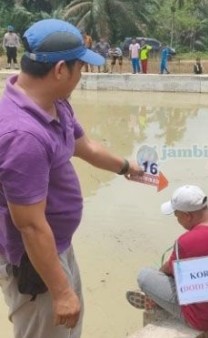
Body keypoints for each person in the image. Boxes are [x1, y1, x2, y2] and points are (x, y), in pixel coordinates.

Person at [0, 19, 143, 338]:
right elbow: (29, 225)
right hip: (34, 258)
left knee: (67, 329)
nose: (82, 76)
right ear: (61, 69)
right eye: (81, 68)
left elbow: (84, 146)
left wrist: (125, 166)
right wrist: (61, 291)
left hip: (56, 243)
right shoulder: (24, 136)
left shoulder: (54, 104)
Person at [127, 185, 208, 331]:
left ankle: (154, 299)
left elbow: (167, 270)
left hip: (203, 320)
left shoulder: (185, 241)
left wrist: (159, 276)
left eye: (177, 216)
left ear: (187, 216)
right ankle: (155, 298)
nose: (178, 221)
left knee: (145, 275)